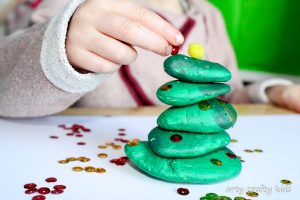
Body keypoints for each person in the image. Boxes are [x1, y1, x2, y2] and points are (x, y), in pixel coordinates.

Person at [0, 0, 299, 118]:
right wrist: (61, 47)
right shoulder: (67, 7)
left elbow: (227, 96)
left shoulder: (208, 16)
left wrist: (271, 92)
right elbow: (8, 93)